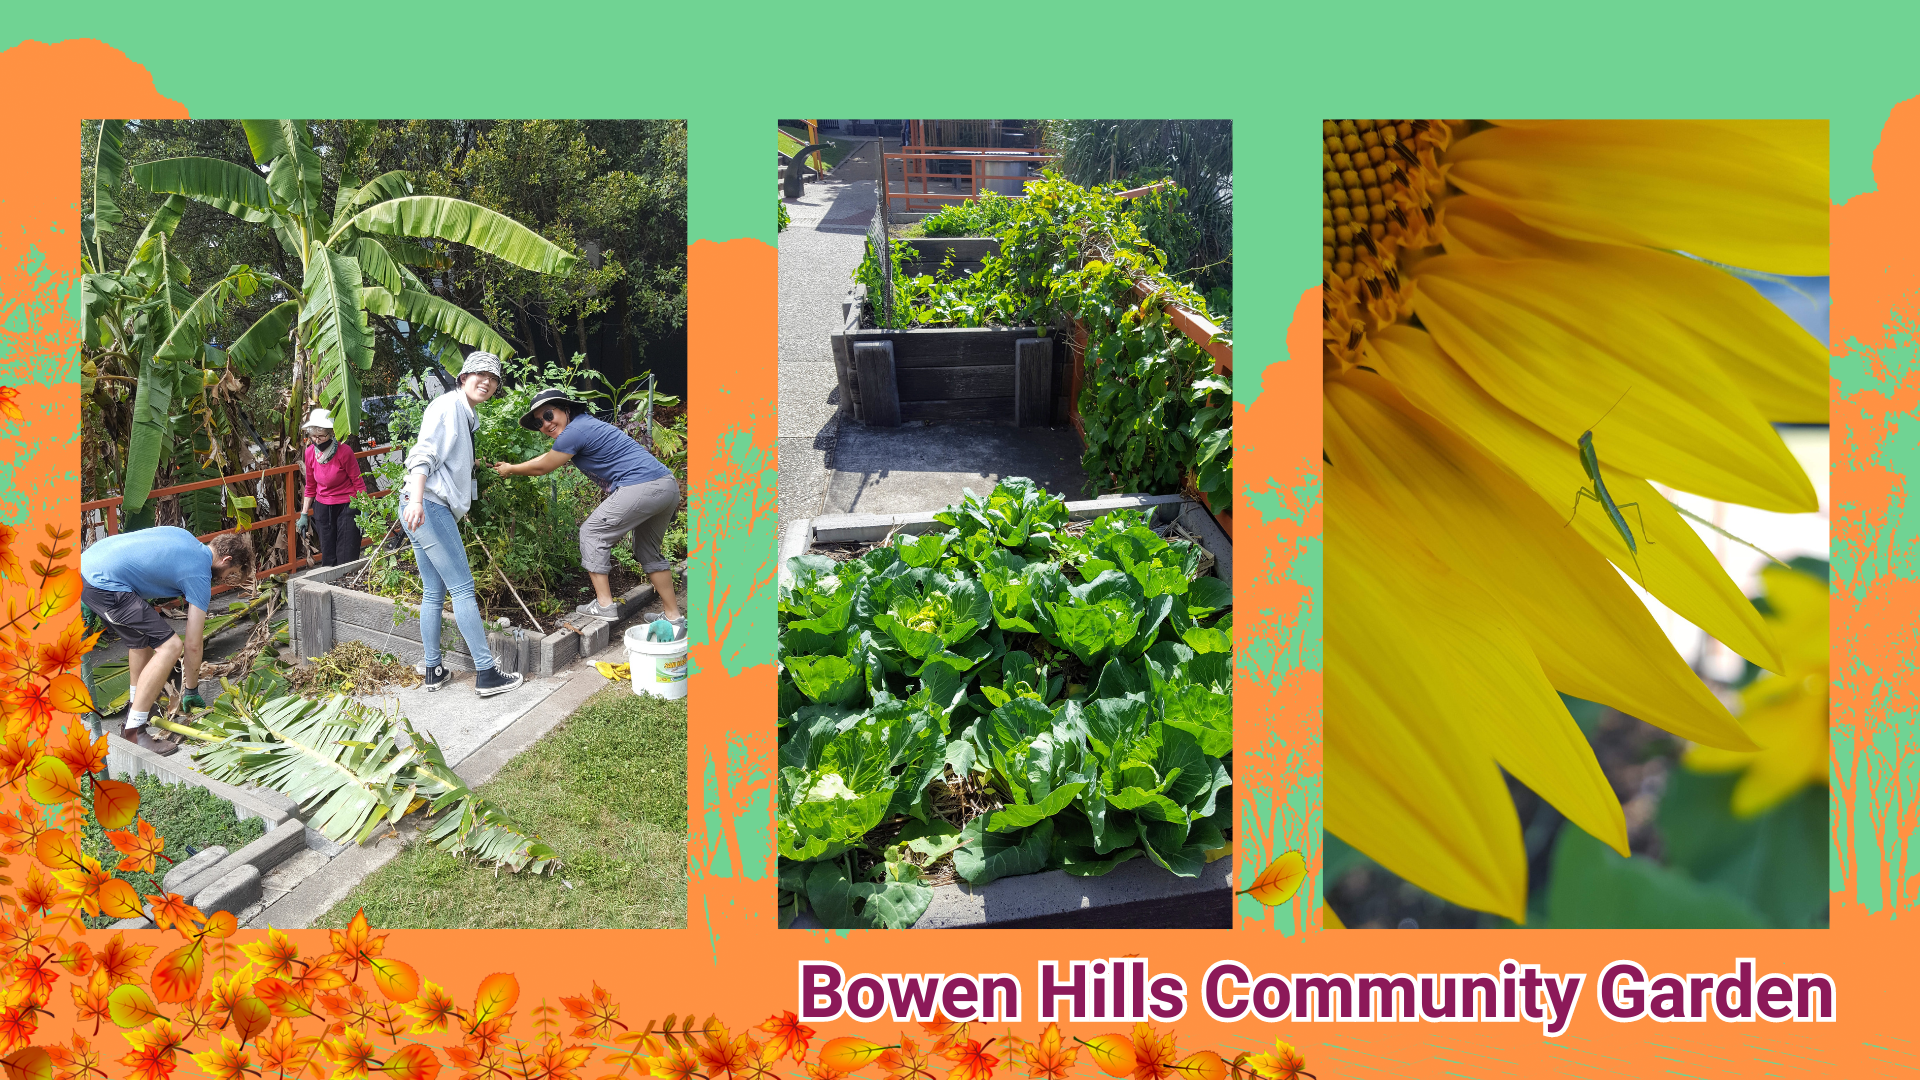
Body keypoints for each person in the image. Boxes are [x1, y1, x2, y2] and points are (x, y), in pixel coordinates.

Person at [493, 387, 684, 636]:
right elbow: (548, 456)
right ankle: (674, 618)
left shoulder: (576, 430)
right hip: (666, 486)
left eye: (548, 415)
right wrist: (512, 465)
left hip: (642, 486)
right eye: (539, 422)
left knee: (592, 533)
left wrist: (510, 469)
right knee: (647, 550)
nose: (545, 424)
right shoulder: (580, 429)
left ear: (566, 409)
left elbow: (543, 467)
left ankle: (604, 605)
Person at [400, 352, 525, 698]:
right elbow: (423, 454)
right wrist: (416, 500)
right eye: (479, 374)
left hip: (423, 506)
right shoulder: (447, 408)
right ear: (463, 376)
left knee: (433, 592)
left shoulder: (465, 416)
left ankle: (433, 669)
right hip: (426, 507)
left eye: (493, 378)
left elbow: (448, 459)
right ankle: (486, 673)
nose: (486, 381)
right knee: (463, 589)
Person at [80, 527, 255, 755]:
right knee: (171, 646)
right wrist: (191, 689)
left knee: (140, 643)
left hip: (87, 567)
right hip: (103, 583)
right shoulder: (199, 573)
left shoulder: (186, 537)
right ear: (226, 559)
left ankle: (136, 710)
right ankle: (134, 731)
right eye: (229, 572)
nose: (223, 578)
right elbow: (193, 643)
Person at [297, 407, 366, 567]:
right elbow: (310, 486)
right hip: (323, 507)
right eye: (313, 436)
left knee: (347, 553)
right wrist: (304, 513)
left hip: (347, 505)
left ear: (331, 434)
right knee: (328, 554)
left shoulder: (344, 452)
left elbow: (358, 482)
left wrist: (364, 508)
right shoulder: (309, 453)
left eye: (321, 436)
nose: (317, 440)